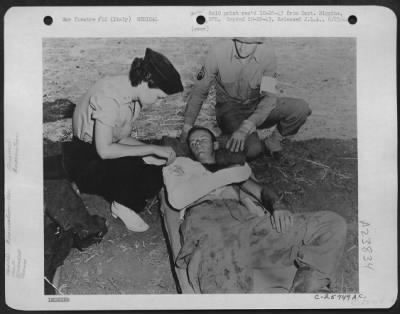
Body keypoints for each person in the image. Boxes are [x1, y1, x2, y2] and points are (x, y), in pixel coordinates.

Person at [163, 126, 347, 293]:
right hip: (211, 232)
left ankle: (304, 292)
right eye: (193, 142)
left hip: (249, 229)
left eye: (202, 139)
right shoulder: (184, 167)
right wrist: (227, 176)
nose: (197, 144)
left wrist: (277, 205)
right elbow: (177, 199)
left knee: (330, 223)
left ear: (215, 144)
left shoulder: (232, 169)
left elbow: (260, 191)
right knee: (223, 291)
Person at [65, 48, 183, 232]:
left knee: (156, 171)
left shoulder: (131, 91)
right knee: (130, 170)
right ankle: (121, 205)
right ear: (147, 82)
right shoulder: (109, 97)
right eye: (159, 96)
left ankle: (122, 197)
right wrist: (149, 150)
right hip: (85, 157)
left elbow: (119, 137)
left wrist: (150, 150)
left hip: (103, 149)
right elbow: (104, 151)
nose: (157, 102)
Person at [180, 38, 312, 160]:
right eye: (239, 41)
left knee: (300, 108)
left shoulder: (268, 55)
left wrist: (248, 125)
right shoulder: (218, 53)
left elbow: (269, 96)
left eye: (249, 43)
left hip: (257, 105)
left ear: (259, 41)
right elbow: (199, 91)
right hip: (230, 109)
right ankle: (214, 143)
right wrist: (187, 127)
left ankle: (272, 143)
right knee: (253, 149)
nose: (242, 47)